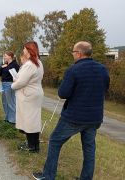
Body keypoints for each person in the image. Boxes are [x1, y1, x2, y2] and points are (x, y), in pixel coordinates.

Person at [33, 41, 110, 180]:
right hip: (94, 118)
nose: (73, 55)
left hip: (74, 117)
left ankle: (48, 176)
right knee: (89, 149)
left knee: (55, 141)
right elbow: (105, 88)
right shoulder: (102, 69)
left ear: (79, 53)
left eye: (73, 52)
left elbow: (63, 93)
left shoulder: (73, 70)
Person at [11, 41, 44, 153]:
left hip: (28, 95)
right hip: (35, 93)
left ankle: (31, 146)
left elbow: (21, 82)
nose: (23, 51)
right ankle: (35, 145)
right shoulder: (38, 62)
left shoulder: (30, 64)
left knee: (29, 121)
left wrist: (13, 85)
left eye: (25, 49)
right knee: (34, 120)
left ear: (29, 50)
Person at [0, 51, 20, 124]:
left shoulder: (15, 65)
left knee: (11, 102)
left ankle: (13, 120)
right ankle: (7, 117)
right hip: (3, 84)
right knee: (4, 102)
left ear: (10, 56)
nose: (4, 57)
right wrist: (1, 67)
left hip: (10, 84)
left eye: (5, 56)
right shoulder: (5, 64)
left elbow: (16, 76)